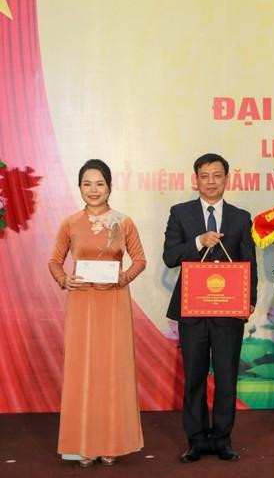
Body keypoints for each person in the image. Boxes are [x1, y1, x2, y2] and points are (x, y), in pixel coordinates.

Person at [48, 159, 146, 467]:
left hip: (114, 302)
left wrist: (124, 277)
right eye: (87, 184)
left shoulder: (123, 221)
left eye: (99, 183)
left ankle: (111, 444)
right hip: (81, 303)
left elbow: (140, 260)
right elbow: (54, 260)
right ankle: (83, 445)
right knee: (83, 371)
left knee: (112, 370)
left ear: (110, 187)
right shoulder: (70, 223)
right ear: (79, 187)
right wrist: (65, 280)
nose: (93, 190)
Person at [163, 153, 258, 463]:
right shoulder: (180, 213)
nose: (211, 182)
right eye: (205, 176)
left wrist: (250, 299)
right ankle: (196, 439)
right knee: (194, 375)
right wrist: (199, 241)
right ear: (196, 179)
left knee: (228, 375)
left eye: (217, 176)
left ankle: (222, 439)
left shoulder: (241, 217)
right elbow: (170, 256)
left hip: (229, 310)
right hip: (192, 309)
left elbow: (249, 262)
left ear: (226, 179)